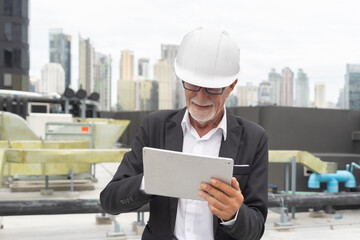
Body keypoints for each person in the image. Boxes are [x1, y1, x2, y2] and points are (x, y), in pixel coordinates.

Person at [100, 26, 268, 240]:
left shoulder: (254, 138)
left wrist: (234, 214)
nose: (200, 97)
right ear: (182, 80)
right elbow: (109, 200)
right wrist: (151, 180)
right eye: (192, 85)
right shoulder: (155, 126)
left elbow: (256, 228)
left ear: (231, 86)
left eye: (212, 88)